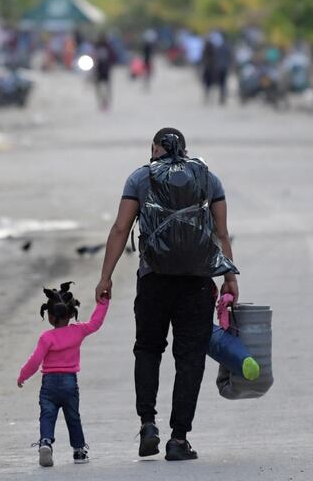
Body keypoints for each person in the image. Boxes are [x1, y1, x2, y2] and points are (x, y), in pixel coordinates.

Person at [95, 128, 238, 462]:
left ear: (154, 149)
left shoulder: (140, 178)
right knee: (189, 358)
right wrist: (229, 276)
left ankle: (147, 424)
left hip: (154, 279)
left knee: (148, 349)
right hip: (197, 281)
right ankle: (178, 438)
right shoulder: (208, 178)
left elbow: (120, 228)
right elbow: (221, 233)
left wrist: (106, 277)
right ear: (184, 150)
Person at [17, 282, 109, 467]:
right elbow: (95, 323)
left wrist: (23, 376)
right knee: (73, 416)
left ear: (50, 317)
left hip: (49, 384)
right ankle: (79, 451)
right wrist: (103, 301)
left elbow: (35, 361)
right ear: (71, 314)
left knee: (47, 414)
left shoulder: (46, 337)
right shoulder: (78, 331)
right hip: (69, 383)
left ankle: (45, 442)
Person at [93, 33, 115, 111]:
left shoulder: (107, 47)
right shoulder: (98, 46)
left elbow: (112, 58)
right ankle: (103, 102)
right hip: (100, 69)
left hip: (105, 70)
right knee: (101, 88)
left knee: (105, 88)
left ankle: (105, 102)